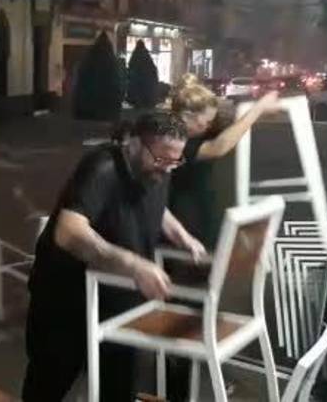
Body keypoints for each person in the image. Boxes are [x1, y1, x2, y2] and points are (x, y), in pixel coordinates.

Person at [22, 112, 207, 401]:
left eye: (175, 161)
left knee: (118, 386)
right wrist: (134, 265)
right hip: (66, 298)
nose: (168, 169)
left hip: (116, 299)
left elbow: (154, 205)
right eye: (160, 160)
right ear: (132, 144)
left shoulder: (160, 168)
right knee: (50, 382)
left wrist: (182, 236)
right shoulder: (103, 167)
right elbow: (69, 232)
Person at [169, 74, 281, 249]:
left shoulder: (196, 133)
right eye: (206, 122)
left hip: (199, 215)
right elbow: (218, 146)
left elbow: (228, 131)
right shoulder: (175, 141)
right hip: (184, 221)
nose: (208, 125)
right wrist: (258, 108)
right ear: (186, 117)